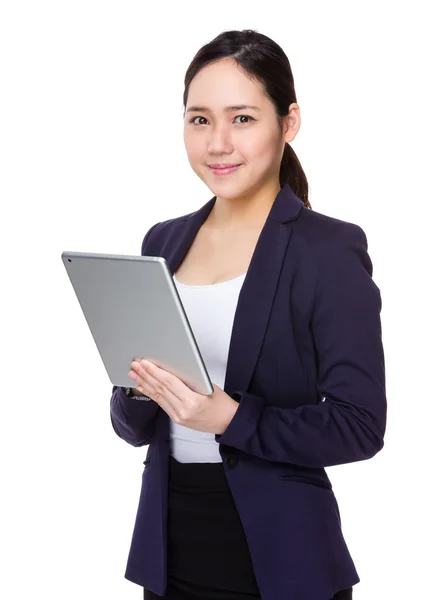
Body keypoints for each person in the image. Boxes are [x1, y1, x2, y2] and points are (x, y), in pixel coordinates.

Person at [110, 29, 387, 600]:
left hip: (282, 555)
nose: (217, 144)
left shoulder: (327, 250)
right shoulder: (163, 241)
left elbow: (361, 425)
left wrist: (230, 418)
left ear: (288, 124)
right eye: (199, 119)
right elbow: (130, 426)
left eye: (242, 119)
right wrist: (141, 390)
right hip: (170, 545)